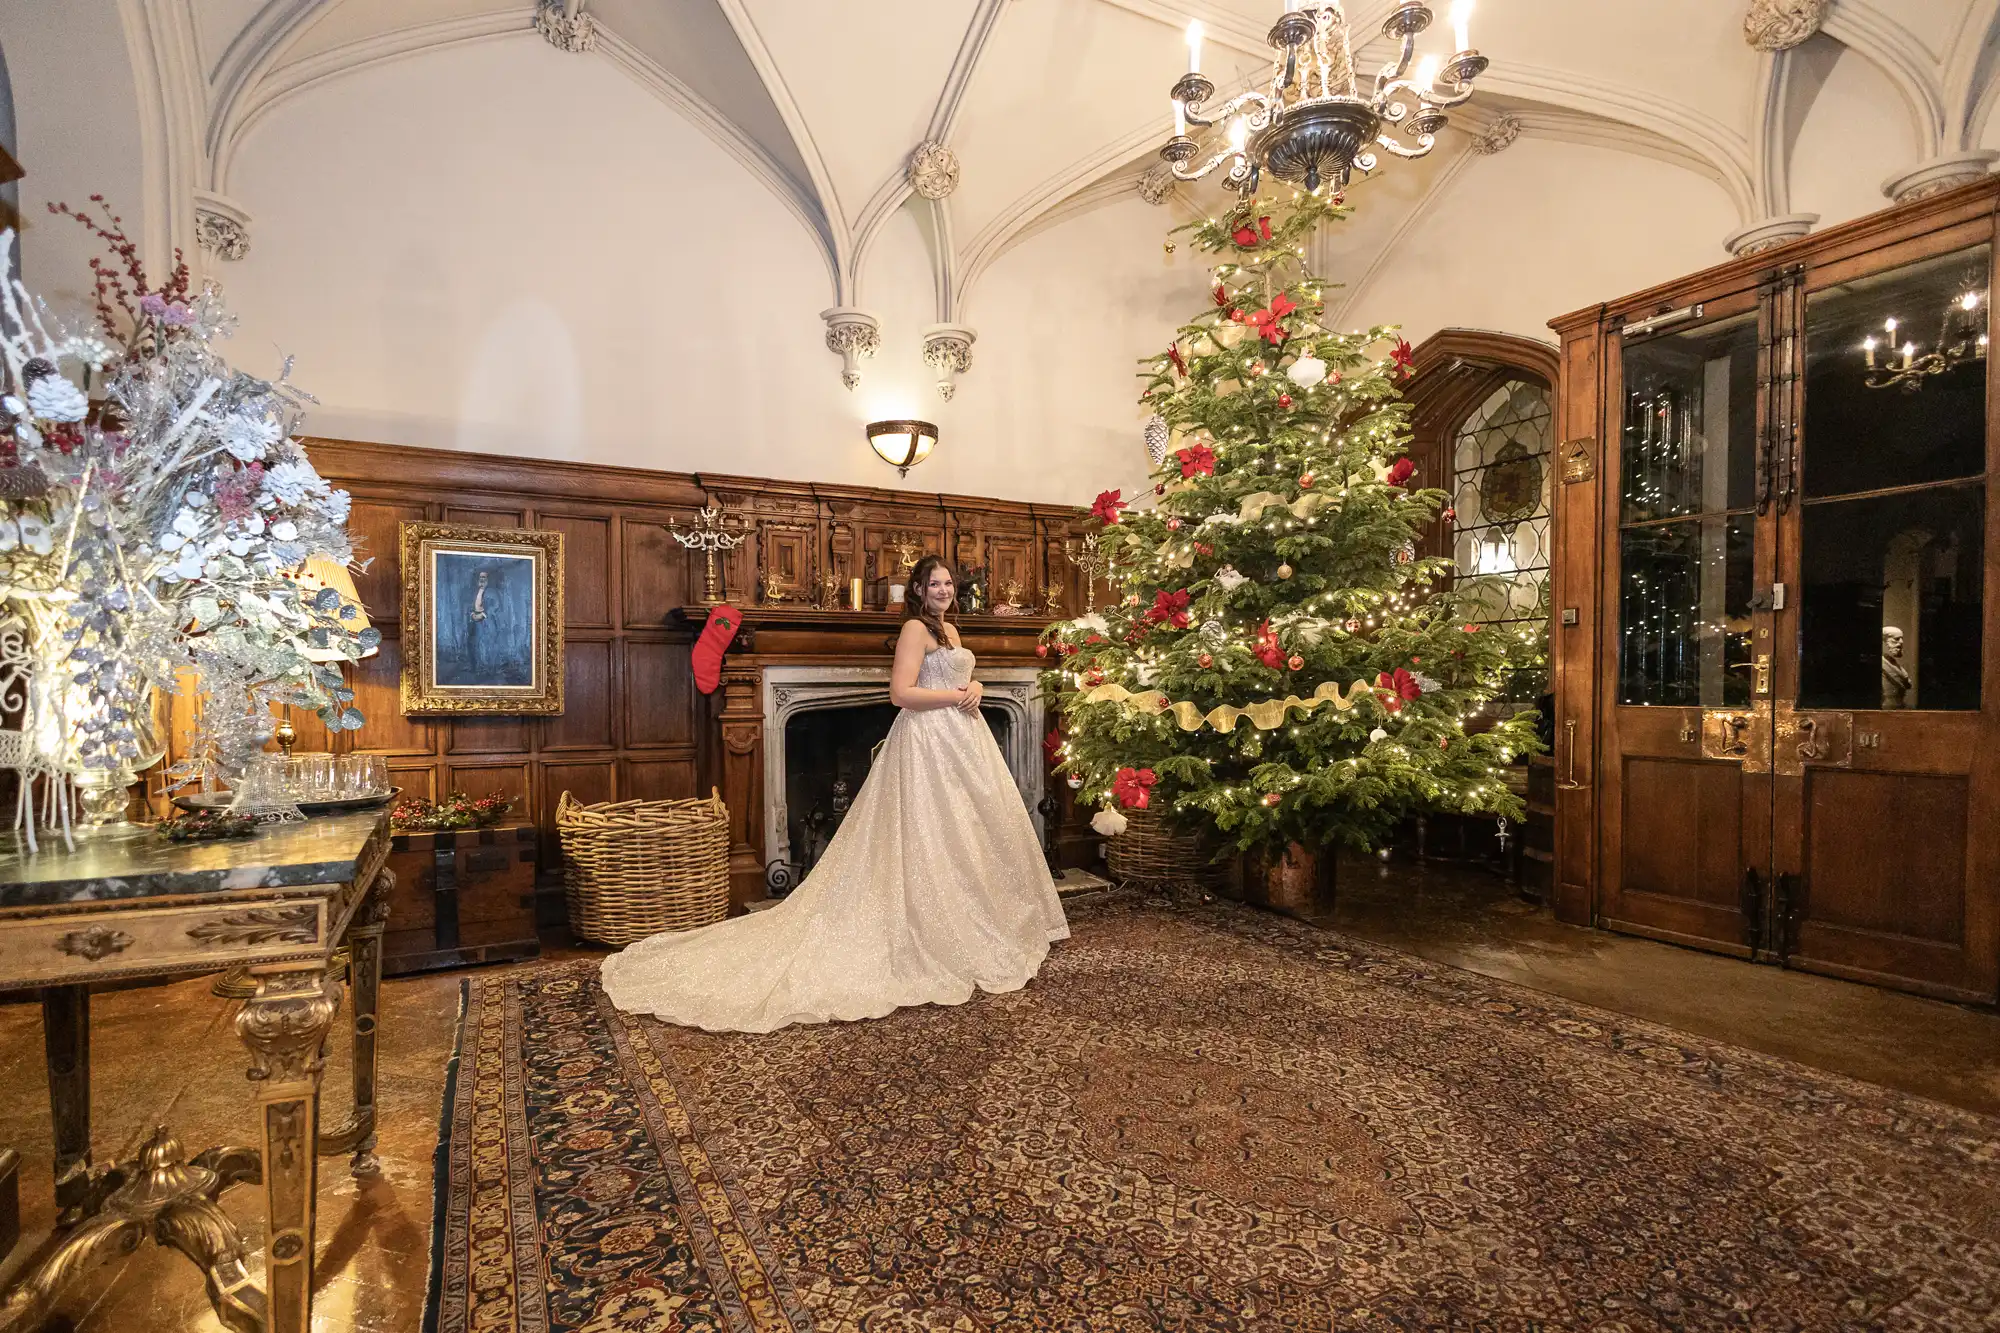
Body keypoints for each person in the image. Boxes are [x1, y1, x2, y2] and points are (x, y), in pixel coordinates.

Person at [600, 555, 1070, 1033]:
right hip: (927, 740)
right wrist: (956, 695)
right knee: (926, 830)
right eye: (934, 584)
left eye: (948, 583)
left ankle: (968, 920)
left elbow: (957, 678)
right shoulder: (914, 629)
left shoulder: (950, 629)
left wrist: (976, 685)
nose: (944, 590)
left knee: (964, 831)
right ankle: (926, 929)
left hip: (962, 740)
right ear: (919, 589)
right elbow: (900, 694)